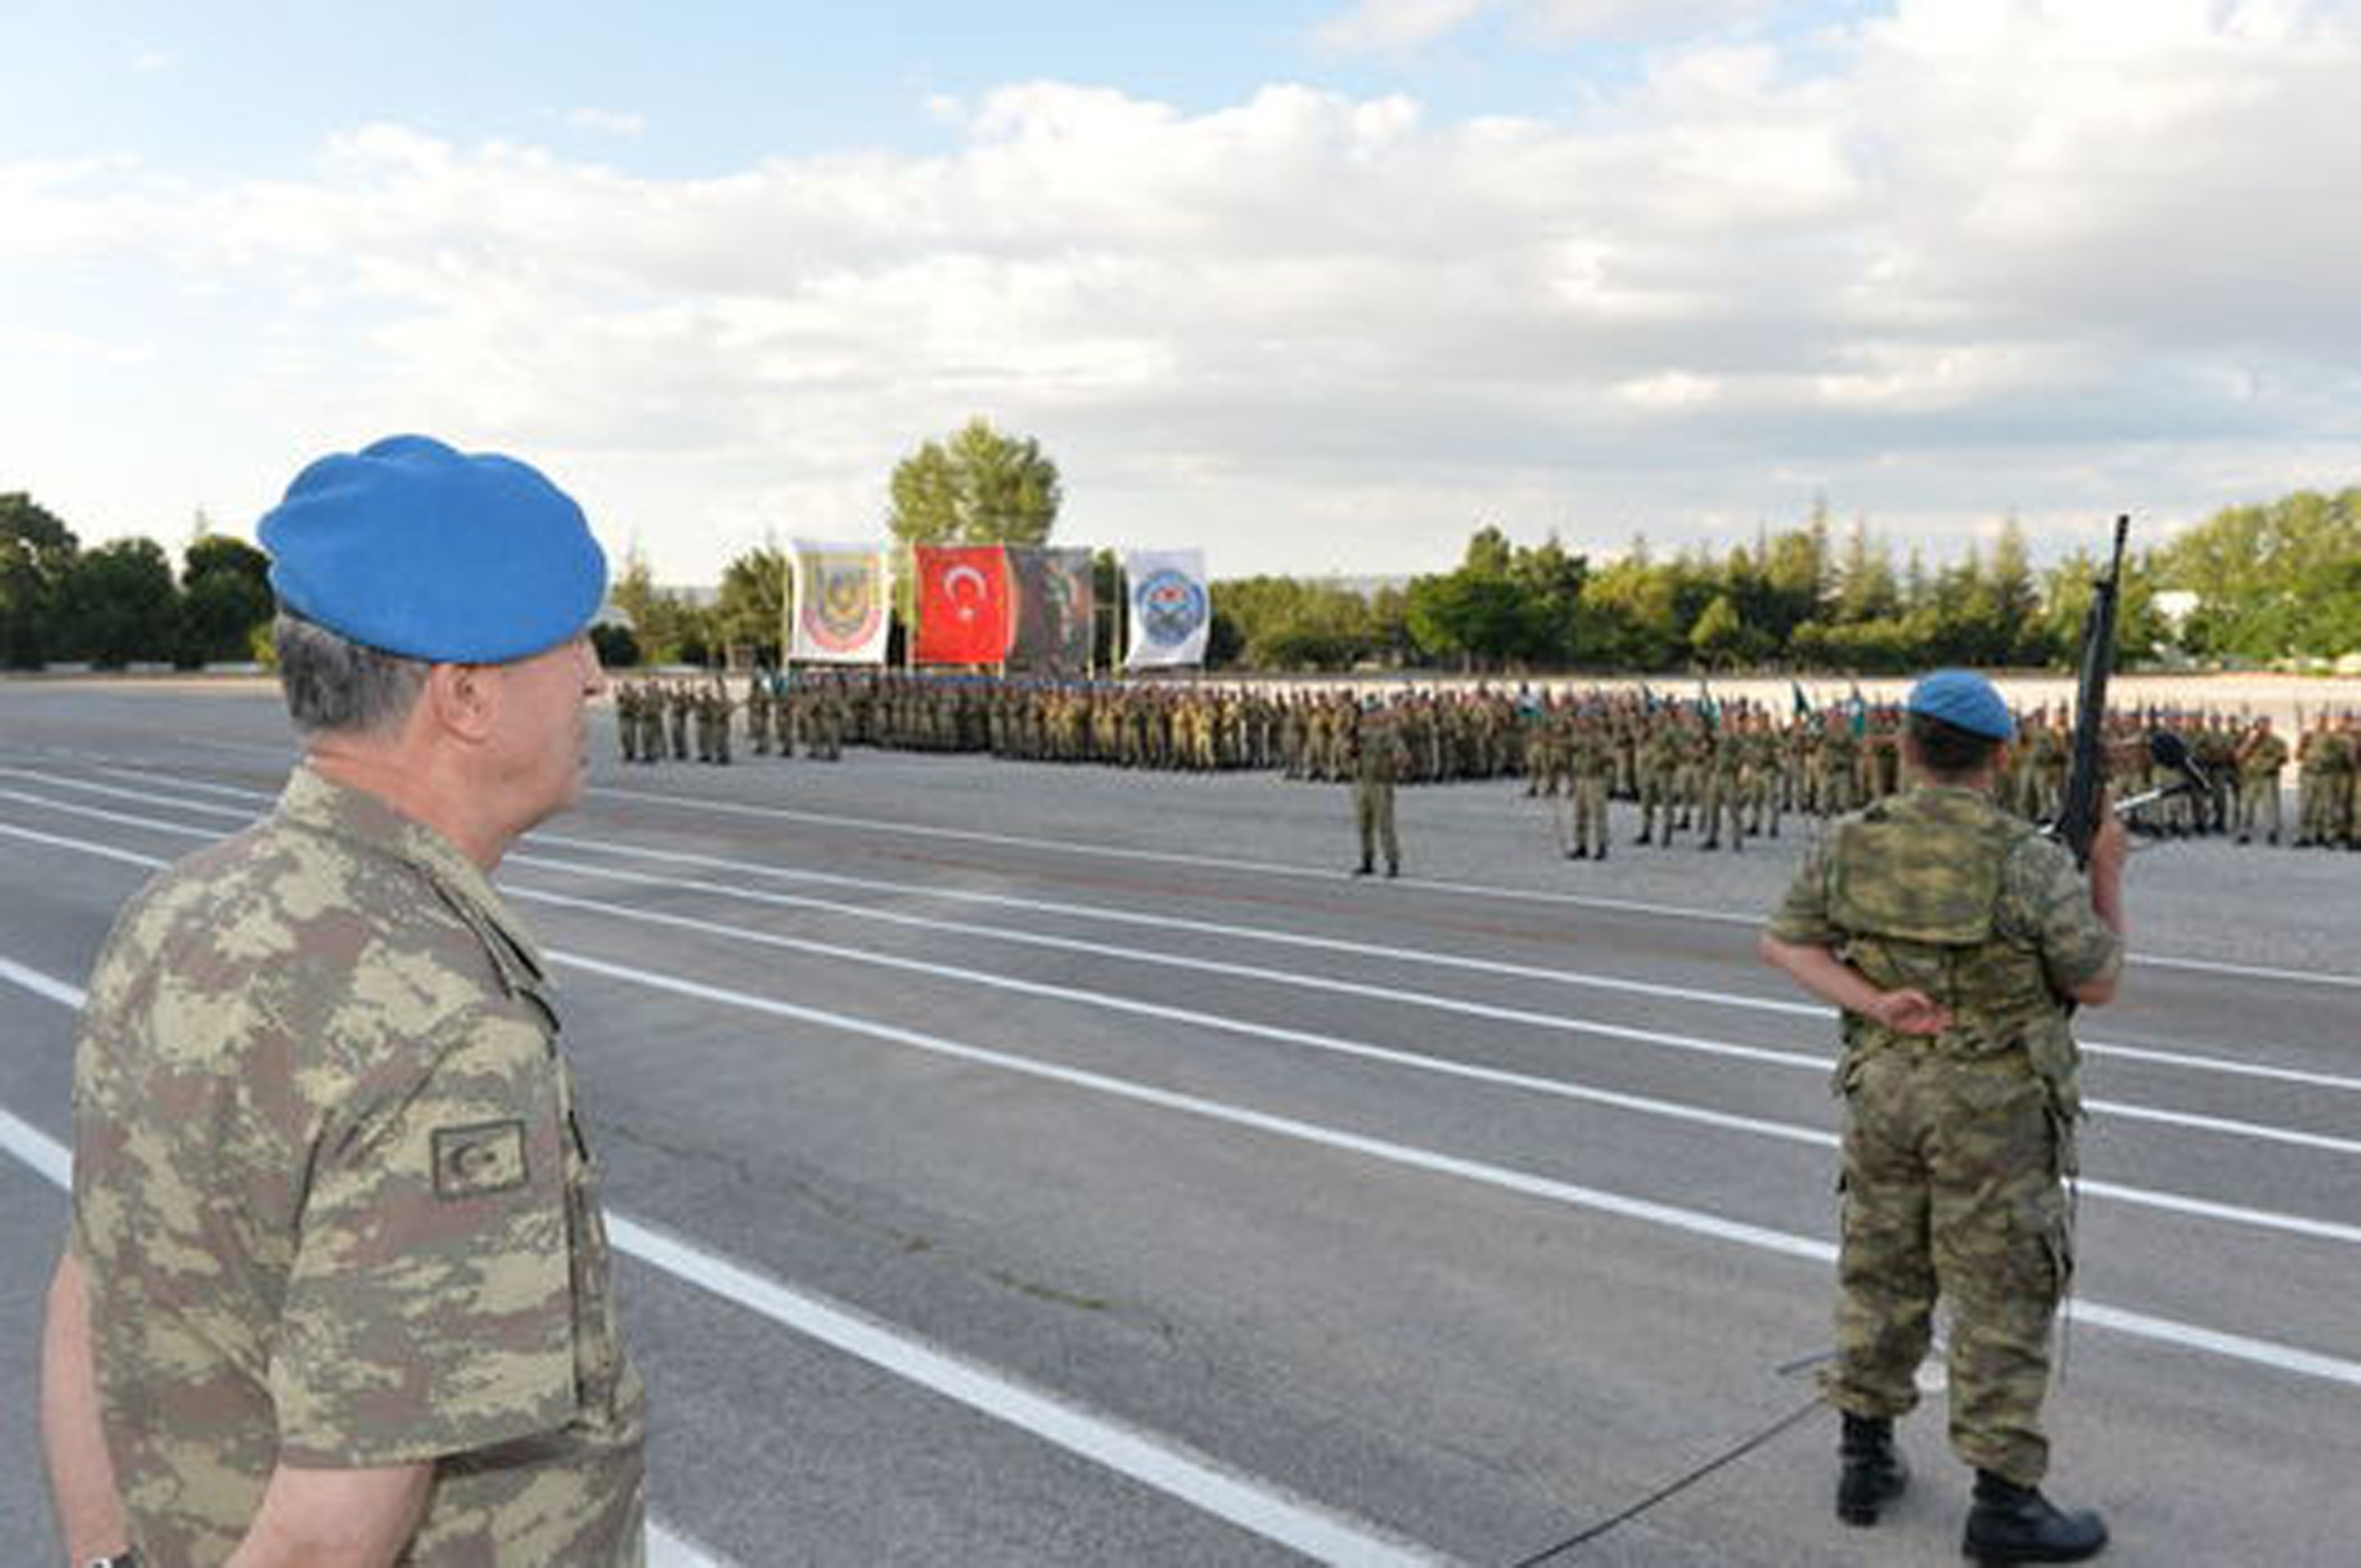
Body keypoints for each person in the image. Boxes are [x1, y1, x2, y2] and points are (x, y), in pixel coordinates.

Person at [40, 435, 646, 1567]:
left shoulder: (176, 917)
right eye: (570, 640)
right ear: (465, 696)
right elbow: (328, 1537)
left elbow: (96, 1283)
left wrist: (106, 1555)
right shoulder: (443, 1022)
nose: (596, 678)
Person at [1757, 669, 2124, 1566]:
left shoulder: (1851, 839)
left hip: (1884, 1090)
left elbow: (1785, 942)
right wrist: (2107, 869)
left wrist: (1877, 1004)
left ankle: (1864, 1458)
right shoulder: (2026, 856)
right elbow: (2097, 980)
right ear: (2001, 756)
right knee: (1999, 1290)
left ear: (1905, 745)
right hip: (1992, 1108)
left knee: (1881, 1267)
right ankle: (2003, 1499)